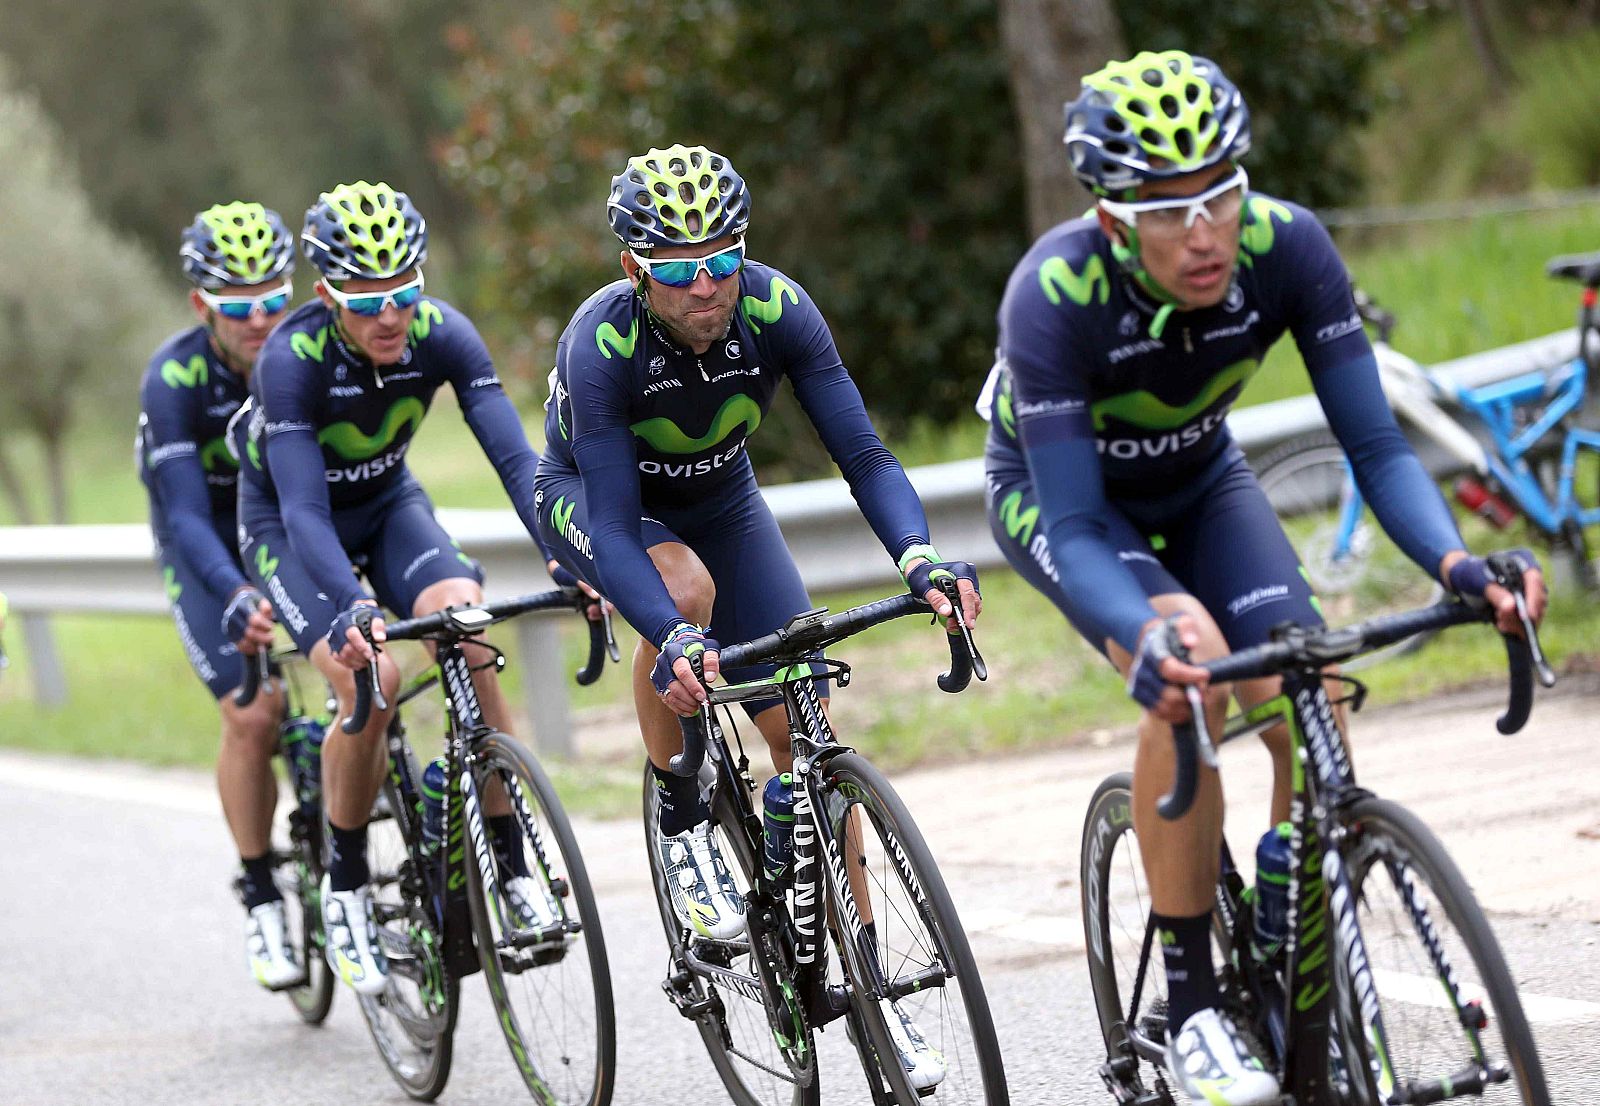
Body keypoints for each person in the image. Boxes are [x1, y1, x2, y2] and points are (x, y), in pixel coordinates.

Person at [978, 51, 1546, 1105]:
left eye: (1220, 194)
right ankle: (1193, 1003)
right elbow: (1070, 518)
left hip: (1200, 476)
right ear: (1111, 219)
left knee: (1311, 686)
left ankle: (1288, 912)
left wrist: (1459, 563)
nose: (1203, 231)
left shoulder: (1286, 247)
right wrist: (1140, 639)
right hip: (1070, 504)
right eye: (1167, 207)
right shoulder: (1053, 295)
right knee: (1187, 657)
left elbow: (1375, 449)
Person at [535, 143, 980, 1088]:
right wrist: (677, 635)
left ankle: (872, 992)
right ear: (634, 271)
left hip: (723, 498)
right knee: (683, 596)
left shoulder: (777, 308)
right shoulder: (602, 342)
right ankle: (681, 811)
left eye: (723, 258)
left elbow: (863, 453)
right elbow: (615, 527)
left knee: (807, 721)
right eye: (680, 269)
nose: (708, 285)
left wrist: (920, 558)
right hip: (599, 504)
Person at [233, 180, 570, 995]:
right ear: (326, 295)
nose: (390, 315)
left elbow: (517, 464)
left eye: (405, 292)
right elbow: (306, 509)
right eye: (366, 298)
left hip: (387, 506)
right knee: (369, 676)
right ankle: (346, 884)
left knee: (467, 625)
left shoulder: (444, 335)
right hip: (289, 525)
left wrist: (573, 550)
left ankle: (512, 864)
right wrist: (350, 604)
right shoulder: (292, 359)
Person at [137, 202, 297, 988]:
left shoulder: (302, 354)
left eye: (275, 298)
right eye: (240, 307)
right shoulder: (174, 380)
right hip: (203, 542)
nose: (262, 318)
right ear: (203, 305)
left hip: (279, 524)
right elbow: (186, 517)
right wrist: (234, 592)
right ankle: (262, 890)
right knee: (252, 710)